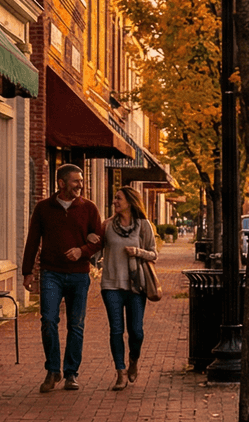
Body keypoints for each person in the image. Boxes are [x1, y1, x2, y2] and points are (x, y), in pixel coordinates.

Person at [21, 164, 104, 392]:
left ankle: (71, 373)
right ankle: (52, 370)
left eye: (81, 181)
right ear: (61, 183)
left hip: (79, 274)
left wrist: (82, 251)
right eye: (76, 181)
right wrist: (27, 272)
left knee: (76, 325)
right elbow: (32, 240)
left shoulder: (89, 208)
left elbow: (99, 240)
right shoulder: (43, 208)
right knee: (48, 320)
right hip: (51, 273)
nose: (80, 185)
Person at [100, 185, 157, 390]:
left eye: (119, 198)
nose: (114, 201)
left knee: (136, 331)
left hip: (136, 286)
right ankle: (121, 372)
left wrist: (137, 252)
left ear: (130, 202)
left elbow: (153, 254)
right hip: (111, 285)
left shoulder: (143, 225)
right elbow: (95, 250)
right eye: (115, 198)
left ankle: (133, 360)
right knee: (116, 330)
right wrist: (90, 239)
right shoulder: (107, 225)